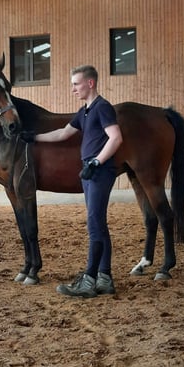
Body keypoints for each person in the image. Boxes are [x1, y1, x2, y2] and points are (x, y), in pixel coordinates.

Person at [25, 65, 123, 297]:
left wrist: (97, 162)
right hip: (90, 171)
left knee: (93, 224)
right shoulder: (85, 111)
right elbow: (62, 133)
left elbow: (116, 137)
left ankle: (89, 280)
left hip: (99, 171)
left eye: (76, 84)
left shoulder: (102, 108)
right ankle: (104, 278)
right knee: (99, 224)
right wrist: (33, 138)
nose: (73, 89)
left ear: (90, 83)